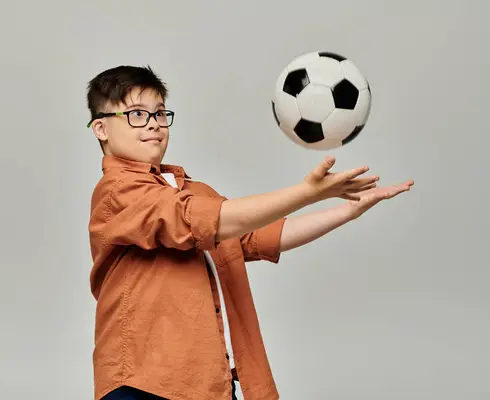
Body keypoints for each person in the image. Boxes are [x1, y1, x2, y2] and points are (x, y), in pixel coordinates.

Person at [86, 65, 413, 400]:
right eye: (137, 114)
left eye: (159, 113)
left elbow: (255, 236)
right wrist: (307, 192)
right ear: (101, 128)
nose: (154, 123)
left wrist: (347, 211)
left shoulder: (194, 191)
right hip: (143, 384)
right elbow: (201, 220)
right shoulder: (118, 191)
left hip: (208, 384)